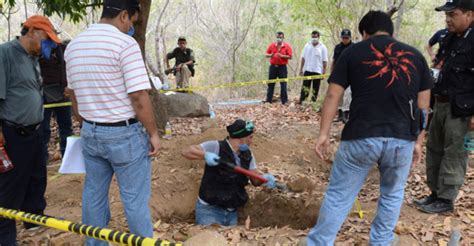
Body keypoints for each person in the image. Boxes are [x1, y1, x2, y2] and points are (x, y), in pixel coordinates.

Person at [307, 11, 432, 245]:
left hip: (361, 135)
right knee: (392, 194)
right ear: (391, 32)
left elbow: (334, 94)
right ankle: (381, 242)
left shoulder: (351, 52)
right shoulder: (416, 56)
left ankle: (319, 243)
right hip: (402, 137)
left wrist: (323, 135)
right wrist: (419, 141)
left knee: (339, 195)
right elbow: (424, 105)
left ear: (364, 33)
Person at [64, 0, 161, 244]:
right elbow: (139, 96)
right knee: (134, 199)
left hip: (91, 132)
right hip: (124, 135)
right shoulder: (125, 44)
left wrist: (86, 120)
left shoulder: (74, 46)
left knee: (94, 194)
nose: (131, 27)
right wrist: (153, 133)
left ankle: (94, 243)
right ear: (124, 15)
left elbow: (72, 94)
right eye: (132, 22)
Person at [0, 15, 61, 245]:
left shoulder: (33, 57)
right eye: (46, 39)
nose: (48, 46)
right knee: (9, 186)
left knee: (36, 178)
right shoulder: (5, 54)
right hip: (13, 133)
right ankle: (5, 235)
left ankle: (34, 220)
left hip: (35, 131)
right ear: (33, 31)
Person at [414, 0, 474, 214]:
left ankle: (447, 199)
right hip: (440, 103)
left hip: (464, 110)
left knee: (456, 152)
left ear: (470, 15)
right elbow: (438, 66)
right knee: (435, 148)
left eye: (453, 14)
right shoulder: (448, 38)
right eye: (446, 15)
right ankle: (435, 193)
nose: (448, 19)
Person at [182, 119, 276, 226]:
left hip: (232, 213)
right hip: (209, 211)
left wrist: (264, 178)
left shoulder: (247, 155)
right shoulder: (216, 147)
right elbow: (186, 151)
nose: (252, 141)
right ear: (241, 138)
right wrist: (205, 155)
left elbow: (254, 179)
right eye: (250, 137)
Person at [40, 40, 73, 161]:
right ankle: (42, 158)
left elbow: (69, 68)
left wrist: (68, 85)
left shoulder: (64, 49)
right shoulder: (36, 50)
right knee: (43, 129)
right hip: (43, 94)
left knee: (66, 126)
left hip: (63, 92)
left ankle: (68, 157)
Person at [298, 31, 328, 104]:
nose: (314, 38)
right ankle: (303, 102)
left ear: (318, 37)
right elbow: (303, 58)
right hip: (307, 70)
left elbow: (325, 61)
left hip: (317, 71)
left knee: (315, 88)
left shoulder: (323, 47)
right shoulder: (307, 45)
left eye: (315, 37)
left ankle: (313, 103)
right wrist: (301, 69)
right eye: (313, 37)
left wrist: (323, 72)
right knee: (305, 87)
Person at [332, 29, 354, 123]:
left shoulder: (354, 47)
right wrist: (332, 72)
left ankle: (346, 114)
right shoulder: (337, 47)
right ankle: (340, 114)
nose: (345, 39)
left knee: (348, 94)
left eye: (347, 38)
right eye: (343, 38)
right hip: (338, 73)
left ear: (350, 38)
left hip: (350, 74)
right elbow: (334, 61)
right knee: (339, 95)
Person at [265, 31, 293, 104]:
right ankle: (268, 100)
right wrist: (270, 55)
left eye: (280, 37)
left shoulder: (287, 46)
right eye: (278, 37)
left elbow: (290, 56)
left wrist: (282, 56)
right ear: (276, 37)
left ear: (283, 38)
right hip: (273, 67)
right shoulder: (272, 45)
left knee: (283, 84)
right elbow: (266, 54)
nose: (279, 39)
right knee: (271, 84)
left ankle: (284, 101)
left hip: (282, 68)